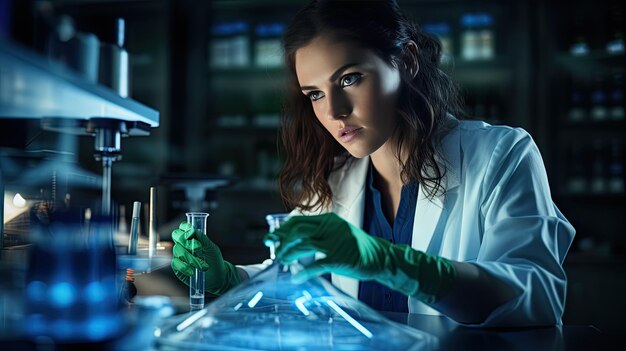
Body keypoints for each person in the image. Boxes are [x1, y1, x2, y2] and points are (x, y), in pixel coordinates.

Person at [171, 0, 575, 327]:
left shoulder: (500, 154)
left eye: (349, 79)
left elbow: (536, 296)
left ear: (407, 61)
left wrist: (390, 262)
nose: (334, 111)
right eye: (315, 94)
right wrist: (226, 279)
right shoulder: (335, 179)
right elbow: (289, 276)